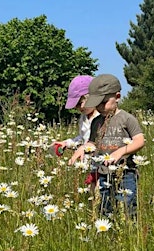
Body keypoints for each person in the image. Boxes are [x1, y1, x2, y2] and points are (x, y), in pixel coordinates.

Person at [69, 74, 145, 218]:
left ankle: (130, 232)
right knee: (105, 205)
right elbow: (93, 142)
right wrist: (82, 148)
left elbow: (139, 141)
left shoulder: (127, 119)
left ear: (117, 97)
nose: (100, 107)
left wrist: (120, 152)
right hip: (103, 173)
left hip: (126, 171)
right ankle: (110, 234)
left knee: (127, 204)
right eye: (97, 104)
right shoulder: (96, 122)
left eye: (103, 102)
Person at [52, 75, 100, 151]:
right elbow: (82, 138)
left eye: (79, 103)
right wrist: (66, 143)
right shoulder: (84, 117)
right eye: (75, 105)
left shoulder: (102, 118)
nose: (77, 107)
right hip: (86, 159)